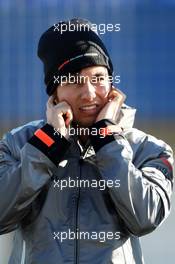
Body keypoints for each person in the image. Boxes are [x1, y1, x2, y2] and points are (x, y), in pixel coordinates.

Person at [0, 18, 173, 264]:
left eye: (98, 78)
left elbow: (145, 218)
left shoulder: (149, 150)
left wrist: (107, 139)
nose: (89, 93)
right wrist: (49, 145)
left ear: (112, 85)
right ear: (54, 91)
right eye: (73, 80)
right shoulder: (18, 144)